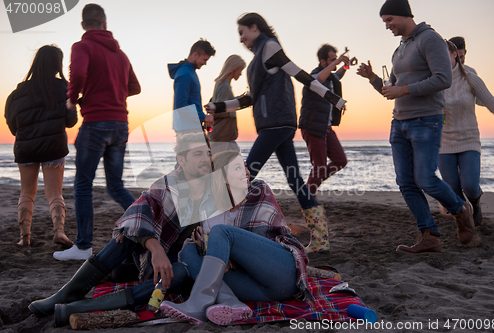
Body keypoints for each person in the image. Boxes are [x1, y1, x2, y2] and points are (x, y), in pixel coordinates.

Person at [28, 132, 218, 327]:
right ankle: (68, 294)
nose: (206, 159)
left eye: (208, 153)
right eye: (198, 154)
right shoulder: (168, 185)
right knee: (128, 232)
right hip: (155, 256)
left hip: (186, 262)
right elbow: (138, 210)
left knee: (180, 273)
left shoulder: (217, 188)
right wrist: (156, 249)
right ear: (182, 160)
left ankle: (85, 306)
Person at [205, 13, 346, 254]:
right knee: (295, 180)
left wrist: (332, 98)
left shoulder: (269, 47)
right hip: (276, 125)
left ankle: (216, 229)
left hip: (277, 124)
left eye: (242, 32)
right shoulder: (258, 61)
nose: (241, 39)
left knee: (245, 173)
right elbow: (249, 98)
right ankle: (321, 238)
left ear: (254, 27)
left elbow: (299, 73)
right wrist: (217, 107)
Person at [356, 0, 474, 254]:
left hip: (425, 120)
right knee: (406, 183)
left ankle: (461, 211)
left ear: (403, 15)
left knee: (426, 179)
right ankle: (430, 236)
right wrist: (373, 78)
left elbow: (443, 78)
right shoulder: (400, 48)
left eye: (389, 20)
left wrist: (404, 89)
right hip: (399, 122)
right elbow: (391, 89)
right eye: (384, 21)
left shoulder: (431, 39)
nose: (387, 26)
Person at [160, 150, 310, 325]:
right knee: (189, 249)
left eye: (245, 166)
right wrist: (202, 244)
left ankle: (197, 303)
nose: (247, 172)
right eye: (238, 168)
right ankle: (231, 302)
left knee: (221, 232)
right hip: (254, 289)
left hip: (281, 274)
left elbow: (266, 238)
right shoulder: (209, 208)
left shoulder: (259, 191)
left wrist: (230, 257)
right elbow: (214, 254)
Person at [53, 4, 141, 261]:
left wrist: (73, 99)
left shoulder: (81, 47)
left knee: (82, 185)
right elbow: (134, 87)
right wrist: (113, 90)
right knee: (115, 186)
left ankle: (83, 247)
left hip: (95, 124)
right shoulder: (121, 55)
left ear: (83, 25)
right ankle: (150, 225)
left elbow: (78, 74)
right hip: (120, 125)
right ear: (104, 23)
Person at [4, 45, 77, 248]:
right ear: (57, 64)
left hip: (26, 148)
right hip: (54, 147)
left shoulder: (17, 92)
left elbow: (12, 125)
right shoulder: (64, 88)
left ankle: (24, 237)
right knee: (54, 193)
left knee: (27, 192)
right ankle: (59, 232)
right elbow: (70, 121)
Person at [438, 40, 494, 227]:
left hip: (469, 140)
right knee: (454, 191)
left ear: (454, 54)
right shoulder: (433, 82)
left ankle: (476, 203)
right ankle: (465, 223)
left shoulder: (471, 78)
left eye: (443, 55)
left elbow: (493, 105)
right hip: (443, 143)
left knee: (470, 186)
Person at [299, 44, 352, 197]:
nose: (336, 62)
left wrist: (347, 64)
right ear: (323, 62)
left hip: (326, 127)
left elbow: (338, 75)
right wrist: (338, 62)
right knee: (319, 167)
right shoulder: (314, 77)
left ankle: (310, 189)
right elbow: (315, 82)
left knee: (340, 160)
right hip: (312, 126)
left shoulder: (329, 78)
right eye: (332, 60)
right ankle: (309, 197)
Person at [168, 39, 216, 132]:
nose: (205, 63)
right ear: (195, 55)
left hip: (190, 127)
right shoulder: (185, 74)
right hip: (187, 129)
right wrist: (203, 117)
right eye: (204, 59)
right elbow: (181, 105)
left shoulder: (189, 72)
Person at [209, 55, 246, 155]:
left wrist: (236, 99)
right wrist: (235, 106)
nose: (241, 73)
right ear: (234, 68)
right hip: (222, 135)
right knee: (236, 165)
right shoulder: (224, 86)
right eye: (240, 70)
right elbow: (219, 110)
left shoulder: (222, 84)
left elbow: (221, 104)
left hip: (222, 135)